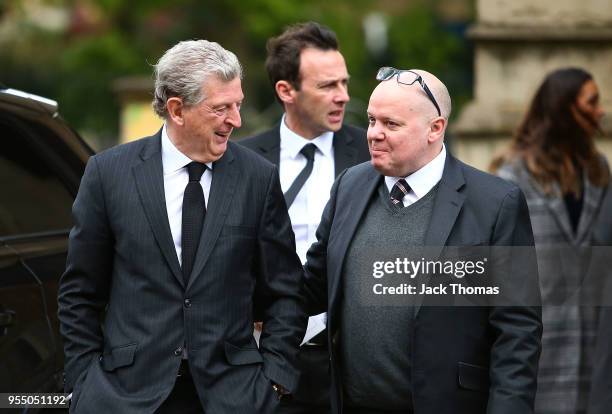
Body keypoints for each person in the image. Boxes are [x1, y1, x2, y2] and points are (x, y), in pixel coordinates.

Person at [57, 39, 306, 413]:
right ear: (177, 109)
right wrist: (86, 382)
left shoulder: (258, 177)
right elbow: (80, 293)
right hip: (126, 396)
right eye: (221, 108)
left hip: (234, 397)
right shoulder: (108, 174)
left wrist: (273, 379)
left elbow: (286, 292)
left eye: (237, 105)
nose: (236, 121)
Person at [302, 67, 542, 414]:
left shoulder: (495, 203)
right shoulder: (349, 186)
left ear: (436, 128)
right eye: (371, 120)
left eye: (391, 124)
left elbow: (517, 332)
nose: (374, 134)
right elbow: (312, 286)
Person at [240, 21, 369, 413]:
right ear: (286, 91)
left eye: (344, 83)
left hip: (354, 360)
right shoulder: (242, 161)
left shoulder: (372, 154)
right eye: (328, 86)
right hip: (269, 356)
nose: (343, 96)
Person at [491, 67, 609, 414]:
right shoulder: (512, 176)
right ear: (563, 108)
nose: (601, 111)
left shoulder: (599, 171)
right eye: (592, 102)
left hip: (593, 346)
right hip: (539, 347)